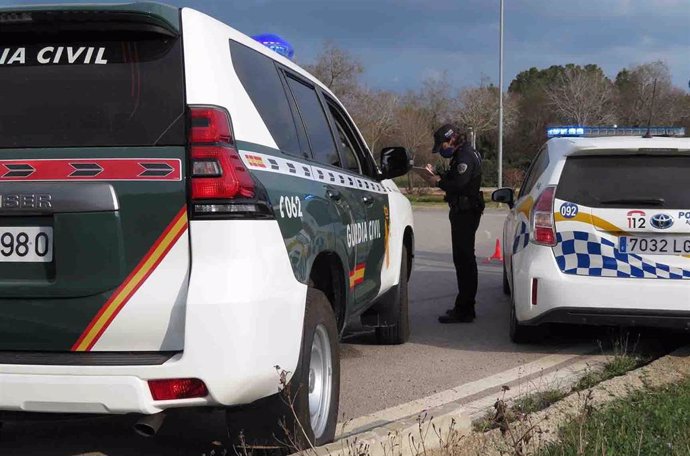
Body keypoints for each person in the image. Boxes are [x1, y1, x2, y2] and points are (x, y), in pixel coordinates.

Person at [421, 124, 484, 323]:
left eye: (442, 145)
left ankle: (465, 309)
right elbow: (456, 176)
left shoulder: (465, 156)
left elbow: (459, 184)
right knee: (463, 259)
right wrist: (438, 173)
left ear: (451, 140)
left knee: (464, 260)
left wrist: (437, 182)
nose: (442, 149)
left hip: (465, 212)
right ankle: (464, 306)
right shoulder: (463, 154)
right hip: (463, 211)